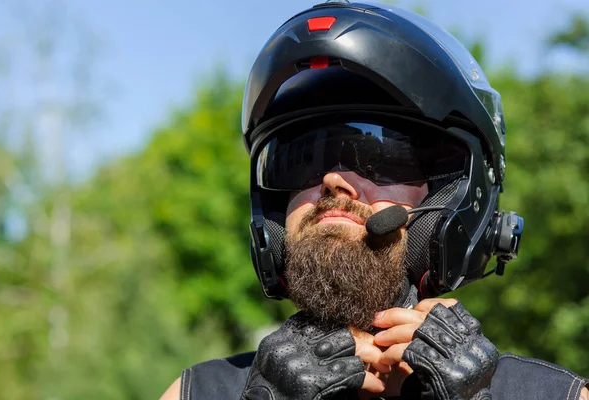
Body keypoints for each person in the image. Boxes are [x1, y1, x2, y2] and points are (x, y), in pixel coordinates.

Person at [160, 2, 589, 399]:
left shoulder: (552, 394)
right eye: (300, 161)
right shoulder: (199, 391)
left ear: (451, 196)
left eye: (381, 159)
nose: (332, 179)